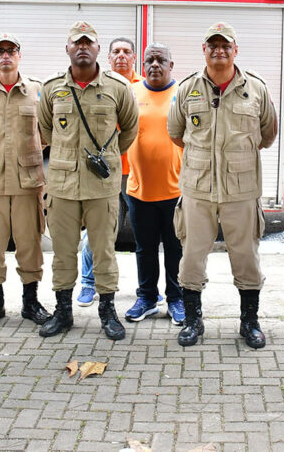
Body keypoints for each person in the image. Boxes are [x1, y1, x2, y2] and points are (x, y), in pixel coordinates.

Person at [167, 22, 278, 348]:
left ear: (235, 50)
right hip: (198, 189)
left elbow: (267, 135)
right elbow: (176, 132)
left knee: (246, 258)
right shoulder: (188, 88)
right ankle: (192, 321)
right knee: (191, 257)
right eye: (212, 45)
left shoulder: (255, 88)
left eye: (225, 45)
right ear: (204, 50)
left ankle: (250, 322)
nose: (219, 51)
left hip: (241, 191)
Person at [36, 21, 139, 340]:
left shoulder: (118, 88)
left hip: (101, 186)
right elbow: (46, 130)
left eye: (88, 43)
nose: (82, 47)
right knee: (64, 251)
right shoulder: (53, 88)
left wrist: (106, 157)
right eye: (76, 43)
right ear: (67, 49)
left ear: (97, 49)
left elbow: (130, 129)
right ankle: (63, 312)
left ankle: (107, 312)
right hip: (63, 185)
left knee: (104, 250)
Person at [0, 33, 52, 329]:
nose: (6, 55)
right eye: (0, 50)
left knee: (30, 244)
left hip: (27, 181)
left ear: (19, 55)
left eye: (11, 50)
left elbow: (45, 132)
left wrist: (25, 154)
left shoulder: (37, 90)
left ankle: (31, 303)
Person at [77, 37, 145, 308]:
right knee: (97, 231)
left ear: (134, 56)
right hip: (104, 173)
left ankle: (147, 290)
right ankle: (88, 283)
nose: (121, 56)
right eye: (115, 51)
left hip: (138, 172)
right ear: (107, 57)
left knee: (145, 235)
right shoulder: (99, 86)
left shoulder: (145, 88)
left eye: (127, 51)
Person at [122, 43, 184, 325]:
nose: (155, 65)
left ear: (172, 65)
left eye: (162, 60)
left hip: (177, 190)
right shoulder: (131, 93)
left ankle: (177, 299)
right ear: (142, 65)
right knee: (144, 248)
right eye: (150, 60)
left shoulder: (182, 94)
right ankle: (147, 298)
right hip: (139, 189)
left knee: (175, 248)